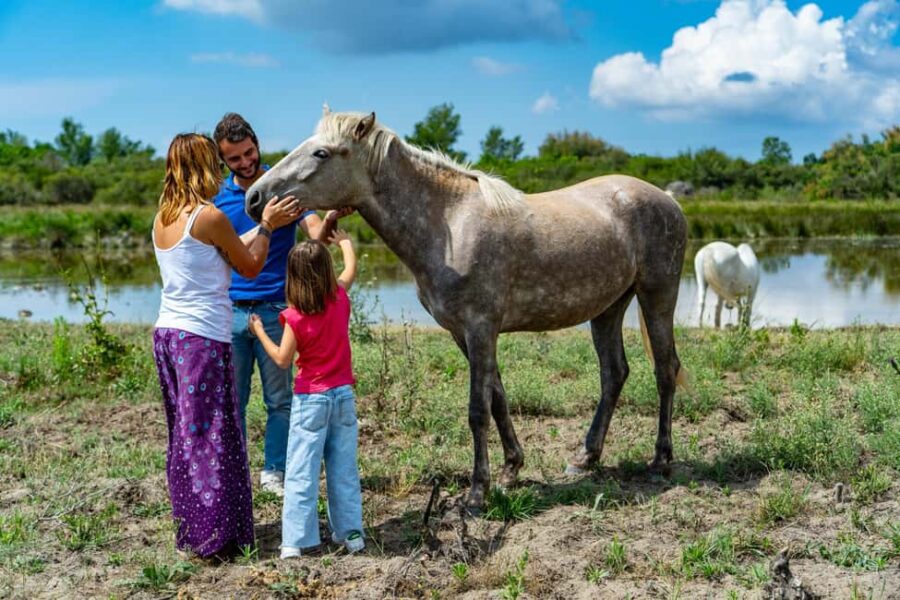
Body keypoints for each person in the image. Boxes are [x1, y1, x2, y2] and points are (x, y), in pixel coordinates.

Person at [151, 133, 301, 557]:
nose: (221, 170)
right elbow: (250, 267)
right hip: (201, 337)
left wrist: (260, 226)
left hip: (168, 334)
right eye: (214, 162)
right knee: (213, 433)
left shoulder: (164, 216)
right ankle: (216, 536)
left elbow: (226, 252)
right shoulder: (210, 216)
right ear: (202, 165)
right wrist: (269, 225)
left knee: (186, 433)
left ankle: (194, 528)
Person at [213, 112, 337, 496]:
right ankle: (234, 473)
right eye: (236, 159)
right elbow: (215, 252)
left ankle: (274, 472)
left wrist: (329, 219)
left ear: (256, 143)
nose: (247, 162)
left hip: (275, 309)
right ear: (224, 162)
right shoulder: (218, 198)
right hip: (229, 310)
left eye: (250, 152)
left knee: (280, 400)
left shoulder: (280, 186)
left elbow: (314, 231)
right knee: (233, 403)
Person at [248, 230, 364, 558]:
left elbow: (283, 359)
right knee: (343, 470)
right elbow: (350, 270)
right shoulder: (339, 298)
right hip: (342, 396)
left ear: (293, 276)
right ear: (327, 271)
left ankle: (295, 542)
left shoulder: (295, 317)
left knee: (301, 472)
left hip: (310, 399)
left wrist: (258, 331)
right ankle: (351, 535)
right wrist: (344, 242)